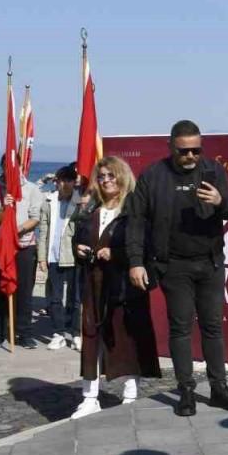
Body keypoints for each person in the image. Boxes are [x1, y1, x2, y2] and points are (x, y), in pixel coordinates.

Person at [126, 120, 228, 416]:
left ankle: (219, 388)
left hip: (210, 263)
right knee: (180, 328)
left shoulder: (213, 170)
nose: (191, 157)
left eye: (196, 150)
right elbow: (136, 221)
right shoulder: (154, 176)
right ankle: (186, 391)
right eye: (184, 151)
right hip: (173, 265)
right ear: (171, 147)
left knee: (213, 327)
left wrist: (220, 202)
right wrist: (136, 262)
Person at [72, 157, 161, 419]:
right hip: (93, 283)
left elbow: (145, 246)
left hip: (123, 285)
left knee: (126, 337)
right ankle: (89, 396)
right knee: (90, 338)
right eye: (101, 177)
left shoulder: (135, 209)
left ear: (122, 176)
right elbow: (78, 235)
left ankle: (130, 393)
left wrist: (117, 254)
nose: (106, 181)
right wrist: (79, 249)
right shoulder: (92, 210)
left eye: (111, 175)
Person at [0, 157, 44, 349]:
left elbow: (35, 218)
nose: (11, 171)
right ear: (2, 168)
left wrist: (15, 231)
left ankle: (24, 333)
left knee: (24, 291)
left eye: (14, 167)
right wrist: (4, 209)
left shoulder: (32, 189)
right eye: (7, 167)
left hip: (23, 246)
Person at [38, 165, 85, 350]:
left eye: (68, 180)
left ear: (74, 182)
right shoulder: (49, 201)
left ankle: (75, 332)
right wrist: (42, 257)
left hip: (73, 256)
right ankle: (58, 332)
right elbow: (43, 231)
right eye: (61, 180)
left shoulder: (80, 202)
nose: (63, 184)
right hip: (53, 255)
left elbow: (85, 223)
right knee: (55, 298)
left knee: (75, 297)